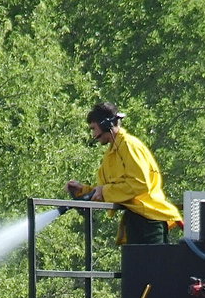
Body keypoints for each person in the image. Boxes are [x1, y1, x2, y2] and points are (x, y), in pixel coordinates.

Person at [66, 102, 183, 245]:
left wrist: (104, 191)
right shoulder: (112, 152)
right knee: (136, 266)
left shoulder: (129, 146)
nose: (93, 135)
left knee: (151, 266)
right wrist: (84, 191)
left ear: (105, 124)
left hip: (150, 219)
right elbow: (108, 189)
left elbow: (140, 184)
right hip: (136, 218)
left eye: (93, 128)